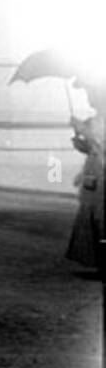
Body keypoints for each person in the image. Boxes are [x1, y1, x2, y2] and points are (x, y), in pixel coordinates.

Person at [67, 96, 104, 273]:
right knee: (90, 215)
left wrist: (84, 130)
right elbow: (91, 148)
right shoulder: (93, 120)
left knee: (101, 218)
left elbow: (101, 146)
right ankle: (96, 261)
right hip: (92, 173)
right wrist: (79, 142)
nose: (90, 97)